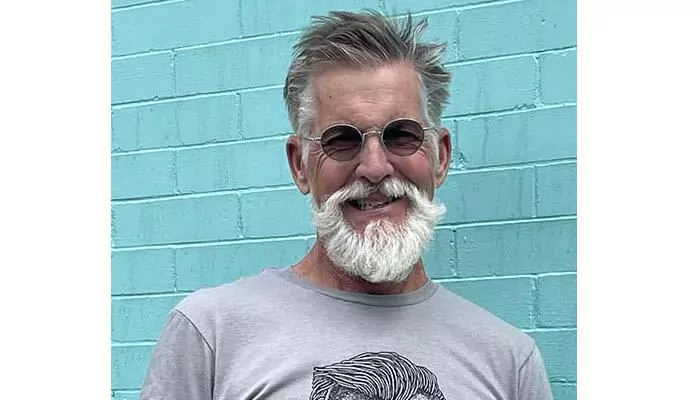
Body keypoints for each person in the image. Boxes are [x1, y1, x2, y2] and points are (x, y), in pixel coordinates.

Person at [140, 10, 553, 400]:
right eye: (341, 140)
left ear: (440, 157)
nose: (374, 167)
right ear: (300, 165)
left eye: (402, 135)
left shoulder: (509, 362)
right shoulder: (211, 334)